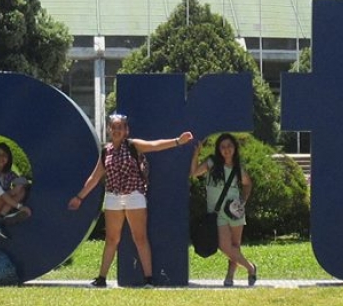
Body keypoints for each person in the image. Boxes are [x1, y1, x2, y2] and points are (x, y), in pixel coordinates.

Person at [68, 112, 193, 287]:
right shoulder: (106, 152)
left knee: (140, 238)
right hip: (113, 197)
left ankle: (148, 278)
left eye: (120, 127)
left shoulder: (133, 145)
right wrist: (80, 197)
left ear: (126, 130)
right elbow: (94, 178)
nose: (117, 130)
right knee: (112, 239)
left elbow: (154, 145)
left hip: (134, 195)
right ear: (110, 130)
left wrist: (178, 141)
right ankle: (101, 278)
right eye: (114, 127)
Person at [191, 133, 257, 286]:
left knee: (235, 246)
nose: (226, 150)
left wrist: (243, 201)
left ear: (234, 148)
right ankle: (250, 267)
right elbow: (194, 173)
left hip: (234, 212)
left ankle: (230, 277)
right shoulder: (212, 162)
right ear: (218, 149)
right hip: (216, 212)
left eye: (229, 146)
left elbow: (248, 184)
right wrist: (196, 155)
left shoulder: (238, 167)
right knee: (225, 246)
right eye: (223, 147)